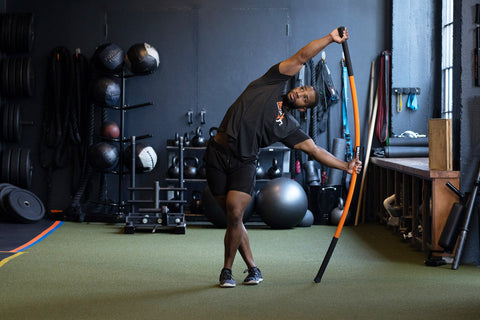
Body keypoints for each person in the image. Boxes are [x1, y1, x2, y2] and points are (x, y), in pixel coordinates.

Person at [203, 27, 362, 288]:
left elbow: (315, 150)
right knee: (234, 220)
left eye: (305, 99)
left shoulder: (286, 126)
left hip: (243, 163)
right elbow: (301, 57)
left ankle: (226, 271)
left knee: (234, 213)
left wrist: (345, 166)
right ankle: (254, 268)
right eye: (303, 90)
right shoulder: (272, 82)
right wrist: (330, 39)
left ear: (302, 109)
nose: (300, 94)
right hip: (217, 155)